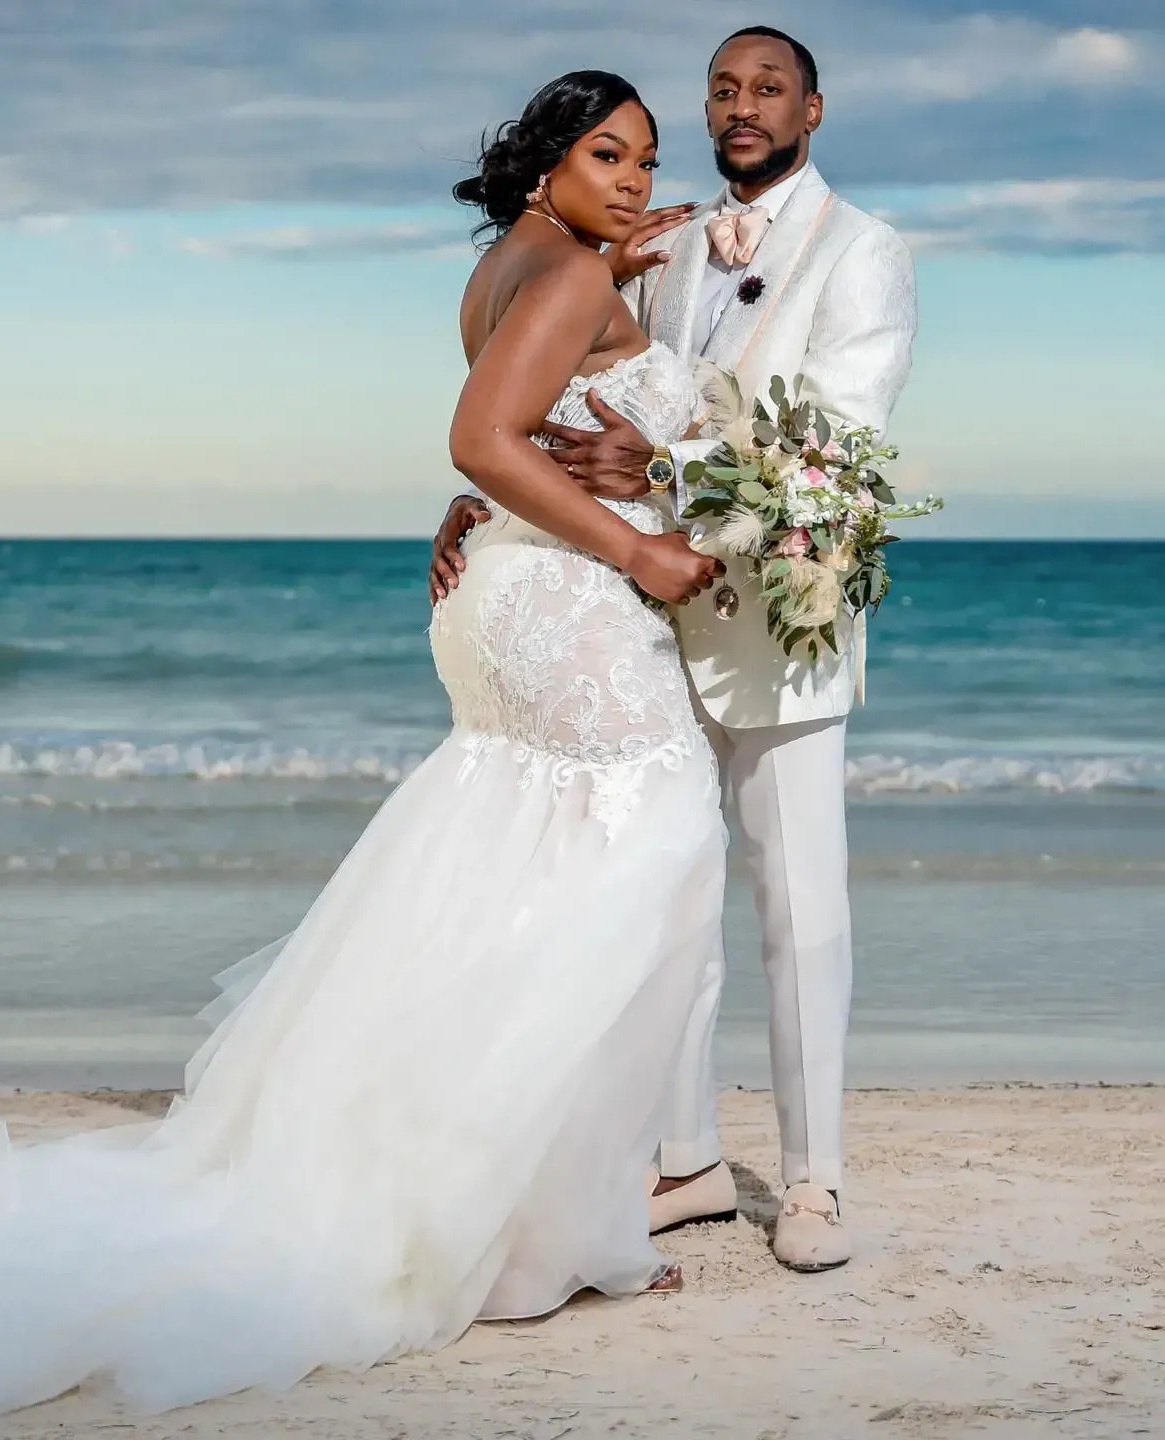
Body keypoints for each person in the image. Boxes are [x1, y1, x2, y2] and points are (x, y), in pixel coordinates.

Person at [0, 73, 729, 1430]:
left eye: (643, 159)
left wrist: (631, 260)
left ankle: (522, 1212)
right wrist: (647, 548)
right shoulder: (568, 274)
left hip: (497, 597)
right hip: (565, 597)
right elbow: (483, 437)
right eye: (604, 154)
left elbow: (507, 431)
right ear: (544, 162)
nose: (627, 177)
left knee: (508, 863)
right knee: (646, 855)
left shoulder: (512, 268)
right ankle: (541, 1239)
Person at [430, 27, 918, 1273]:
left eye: (768, 88)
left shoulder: (864, 252)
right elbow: (538, 395)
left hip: (773, 619)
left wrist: (672, 474)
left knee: (797, 909)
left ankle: (813, 1184)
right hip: (629, 622)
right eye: (723, 87)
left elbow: (842, 450)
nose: (741, 106)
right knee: (657, 903)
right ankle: (687, 1162)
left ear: (816, 104)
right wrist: (487, 497)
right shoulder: (651, 241)